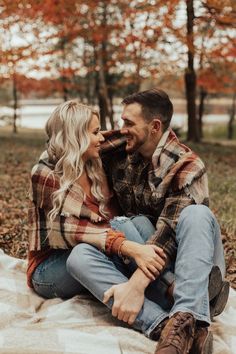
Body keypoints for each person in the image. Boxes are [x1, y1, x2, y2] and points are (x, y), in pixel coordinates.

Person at [66, 89, 229, 354]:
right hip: (143, 257)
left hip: (189, 258)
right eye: (121, 122)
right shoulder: (122, 147)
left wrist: (134, 285)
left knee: (196, 214)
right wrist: (45, 166)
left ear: (154, 127)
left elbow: (169, 234)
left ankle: (185, 313)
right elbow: (71, 143)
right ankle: (170, 324)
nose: (121, 129)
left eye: (128, 123)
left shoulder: (187, 165)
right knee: (79, 255)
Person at [27, 100, 167, 299]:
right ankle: (167, 291)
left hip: (99, 247)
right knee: (119, 225)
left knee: (141, 221)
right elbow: (77, 231)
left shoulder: (94, 161)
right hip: (53, 267)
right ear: (76, 137)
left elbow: (132, 136)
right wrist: (130, 248)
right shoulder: (45, 174)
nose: (101, 137)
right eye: (95, 132)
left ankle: (169, 286)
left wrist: (168, 144)